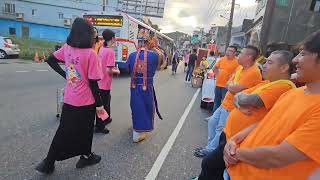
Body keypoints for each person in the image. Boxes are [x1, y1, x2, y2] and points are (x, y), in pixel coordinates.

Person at [225, 30, 320, 180]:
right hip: (237, 170)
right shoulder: (296, 92)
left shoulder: (289, 89)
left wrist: (235, 153)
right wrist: (235, 139)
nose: (295, 60)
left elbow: (278, 156)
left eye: (302, 54)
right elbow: (265, 121)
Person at [192, 50, 296, 180]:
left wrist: (241, 99)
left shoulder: (283, 86)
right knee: (218, 168)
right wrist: (241, 99)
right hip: (233, 136)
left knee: (210, 164)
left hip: (241, 141)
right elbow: (238, 96)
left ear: (284, 67)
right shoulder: (267, 83)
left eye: (269, 62)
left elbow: (243, 98)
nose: (264, 65)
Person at [36, 18, 104, 174]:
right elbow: (93, 83)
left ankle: (49, 162)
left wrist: (66, 75)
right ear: (88, 34)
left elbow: (51, 59)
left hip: (70, 98)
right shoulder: (91, 54)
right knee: (85, 130)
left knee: (63, 130)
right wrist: (100, 105)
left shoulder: (67, 48)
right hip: (86, 101)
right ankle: (84, 156)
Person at [194, 45, 262, 158]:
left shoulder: (253, 72)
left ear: (249, 57)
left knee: (221, 128)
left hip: (233, 107)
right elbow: (228, 83)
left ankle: (210, 150)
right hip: (226, 103)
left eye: (241, 54)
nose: (238, 56)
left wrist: (231, 85)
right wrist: (231, 84)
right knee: (212, 122)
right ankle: (211, 147)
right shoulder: (240, 68)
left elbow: (233, 88)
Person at [126, 30, 162, 143]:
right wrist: (155, 47)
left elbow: (128, 69)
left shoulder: (131, 55)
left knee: (136, 107)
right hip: (147, 86)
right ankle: (138, 133)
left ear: (138, 41)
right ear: (148, 42)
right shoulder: (155, 55)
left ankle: (136, 128)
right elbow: (161, 64)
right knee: (146, 108)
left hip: (134, 86)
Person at [95, 29, 120, 134]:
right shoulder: (110, 51)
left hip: (99, 80)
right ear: (113, 38)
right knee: (103, 104)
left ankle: (106, 118)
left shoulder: (102, 48)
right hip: (105, 82)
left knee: (106, 100)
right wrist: (117, 71)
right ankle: (100, 126)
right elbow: (108, 70)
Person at [210, 46, 239, 115]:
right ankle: (213, 116)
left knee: (224, 104)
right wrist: (217, 76)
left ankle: (220, 119)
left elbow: (238, 74)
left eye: (231, 51)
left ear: (235, 53)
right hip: (218, 84)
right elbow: (214, 68)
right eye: (227, 50)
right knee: (216, 102)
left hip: (227, 87)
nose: (228, 52)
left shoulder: (237, 62)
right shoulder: (222, 59)